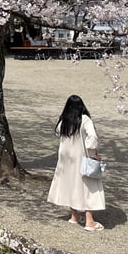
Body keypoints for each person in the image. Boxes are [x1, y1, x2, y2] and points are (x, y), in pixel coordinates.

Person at [46, 94, 106, 231]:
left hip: (65, 160)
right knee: (88, 187)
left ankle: (74, 216)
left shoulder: (64, 121)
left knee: (71, 186)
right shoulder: (84, 119)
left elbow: (58, 132)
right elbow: (93, 136)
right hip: (81, 158)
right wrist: (93, 153)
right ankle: (89, 221)